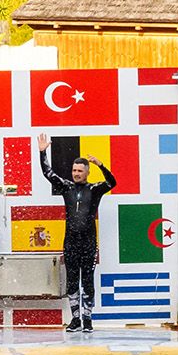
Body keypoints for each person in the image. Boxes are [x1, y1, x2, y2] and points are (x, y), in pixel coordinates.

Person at [39, 133, 116, 332]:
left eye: (80, 171)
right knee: (72, 280)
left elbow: (112, 182)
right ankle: (75, 319)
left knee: (88, 280)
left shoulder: (95, 189)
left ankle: (88, 319)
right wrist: (42, 152)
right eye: (74, 170)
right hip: (71, 241)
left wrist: (100, 164)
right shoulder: (66, 187)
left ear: (87, 172)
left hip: (89, 242)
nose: (76, 173)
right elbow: (48, 173)